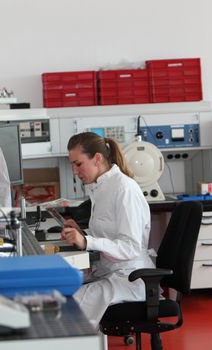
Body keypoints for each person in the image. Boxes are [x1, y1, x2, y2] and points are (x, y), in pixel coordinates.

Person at [61, 132, 154, 329]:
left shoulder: (124, 189)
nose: (75, 171)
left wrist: (87, 242)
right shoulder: (100, 187)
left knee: (66, 307)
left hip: (130, 278)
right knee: (58, 288)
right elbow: (109, 233)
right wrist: (83, 233)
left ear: (97, 158)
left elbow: (130, 247)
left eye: (78, 164)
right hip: (109, 271)